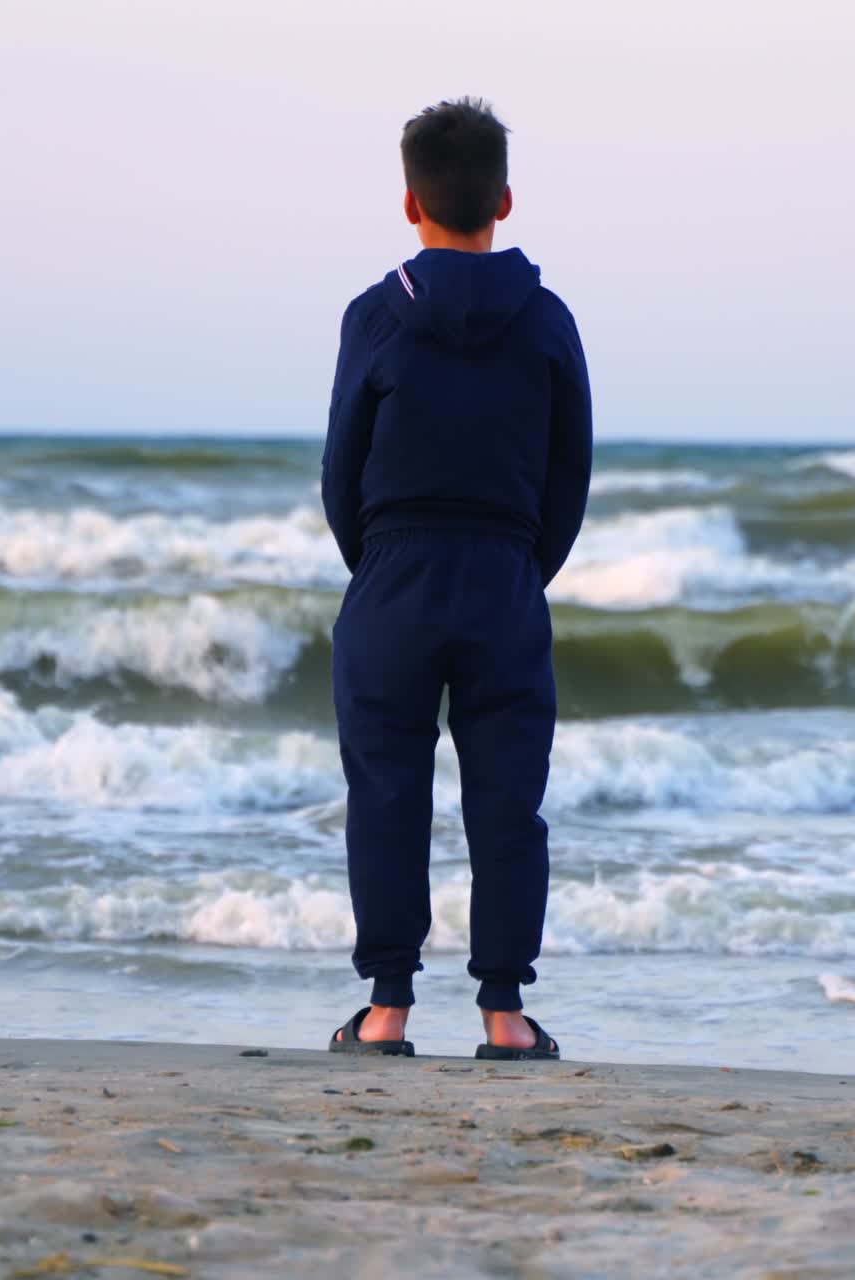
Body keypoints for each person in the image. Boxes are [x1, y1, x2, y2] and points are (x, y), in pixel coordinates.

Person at [322, 97, 592, 1060]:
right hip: (506, 575)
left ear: (410, 203)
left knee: (387, 790)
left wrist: (383, 565)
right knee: (508, 800)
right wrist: (522, 567)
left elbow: (341, 470)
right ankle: (505, 1015)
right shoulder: (549, 321)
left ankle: (387, 1009)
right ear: (505, 200)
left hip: (394, 571)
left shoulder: (376, 315)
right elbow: (571, 474)